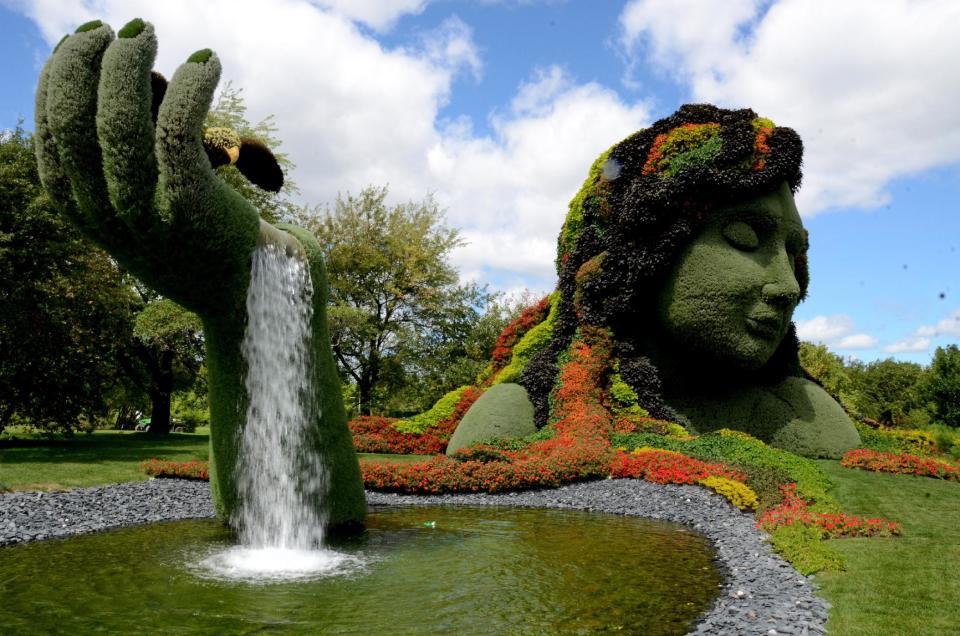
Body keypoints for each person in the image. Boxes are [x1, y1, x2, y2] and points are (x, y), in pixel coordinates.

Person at [454, 104, 860, 458]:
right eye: (744, 238)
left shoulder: (796, 412)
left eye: (793, 253)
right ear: (642, 256)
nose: (788, 286)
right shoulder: (519, 417)